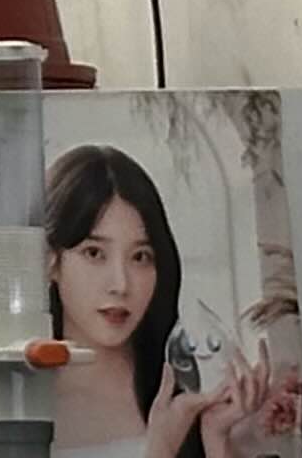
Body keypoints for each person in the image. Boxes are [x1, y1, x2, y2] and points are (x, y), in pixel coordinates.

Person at [42, 144, 284, 458]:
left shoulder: (193, 386)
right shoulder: (17, 397)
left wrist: (217, 439)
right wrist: (162, 449)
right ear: (51, 260)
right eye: (94, 253)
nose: (121, 284)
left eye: (140, 257)